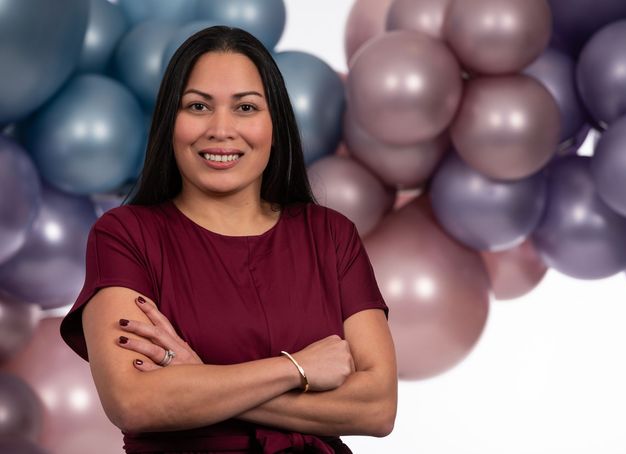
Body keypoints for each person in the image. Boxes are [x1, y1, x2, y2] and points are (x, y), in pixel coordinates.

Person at [59, 26, 397, 453]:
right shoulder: (125, 235)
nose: (221, 129)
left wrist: (199, 377)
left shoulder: (330, 235)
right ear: (170, 121)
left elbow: (377, 408)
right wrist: (296, 369)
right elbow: (134, 402)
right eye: (198, 106)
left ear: (275, 123)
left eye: (245, 107)